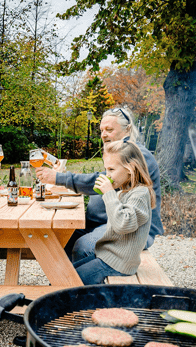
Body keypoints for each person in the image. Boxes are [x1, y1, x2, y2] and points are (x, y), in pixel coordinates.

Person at [35, 107, 163, 261]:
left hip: (129, 229)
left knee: (84, 246)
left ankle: (77, 283)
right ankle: (62, 283)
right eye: (102, 130)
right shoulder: (118, 152)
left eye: (109, 129)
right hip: (102, 223)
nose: (104, 135)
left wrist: (60, 178)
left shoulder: (137, 154)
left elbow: (100, 180)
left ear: (127, 129)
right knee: (59, 237)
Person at [72, 140, 156, 284]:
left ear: (130, 170)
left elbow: (122, 225)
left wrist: (109, 194)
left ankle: (93, 300)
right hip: (109, 257)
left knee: (69, 281)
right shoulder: (124, 192)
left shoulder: (140, 194)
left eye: (111, 170)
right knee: (65, 273)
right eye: (106, 169)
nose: (107, 174)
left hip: (119, 264)